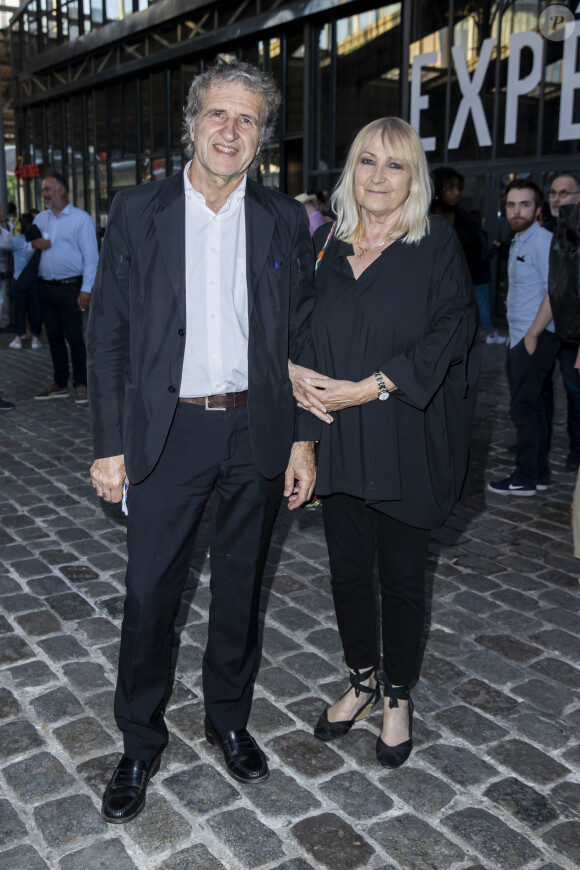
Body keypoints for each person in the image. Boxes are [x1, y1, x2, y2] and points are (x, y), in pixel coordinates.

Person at [87, 58, 317, 824]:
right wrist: (110, 443)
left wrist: (302, 439)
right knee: (151, 596)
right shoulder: (138, 211)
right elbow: (110, 336)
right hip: (168, 432)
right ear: (191, 124)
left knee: (241, 591)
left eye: (246, 119)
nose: (230, 130)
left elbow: (301, 337)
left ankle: (227, 719)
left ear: (262, 137)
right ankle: (138, 743)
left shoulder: (285, 219)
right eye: (218, 115)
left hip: (257, 426)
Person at [290, 118, 479, 769]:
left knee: (400, 580)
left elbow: (451, 333)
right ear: (351, 169)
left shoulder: (434, 246)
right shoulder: (330, 246)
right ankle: (362, 681)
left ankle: (398, 695)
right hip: (340, 444)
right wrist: (304, 443)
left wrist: (367, 388)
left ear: (414, 178)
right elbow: (309, 347)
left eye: (394, 165)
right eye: (366, 161)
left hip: (404, 441)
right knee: (347, 575)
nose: (377, 176)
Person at [488, 179, 560, 496]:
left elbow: (554, 292)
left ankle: (526, 477)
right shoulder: (520, 240)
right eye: (511, 205)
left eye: (525, 204)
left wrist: (532, 335)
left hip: (534, 336)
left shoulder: (542, 240)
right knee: (537, 406)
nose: (517, 211)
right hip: (523, 336)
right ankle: (539, 473)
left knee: (523, 409)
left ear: (539, 209)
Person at [29, 173, 99, 403]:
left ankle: (82, 383)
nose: (43, 194)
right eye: (43, 190)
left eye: (47, 189)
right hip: (45, 287)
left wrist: (86, 289)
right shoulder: (40, 219)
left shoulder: (81, 219)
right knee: (54, 336)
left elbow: (91, 258)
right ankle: (60, 383)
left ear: (61, 190)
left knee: (75, 336)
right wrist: (33, 244)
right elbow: (25, 252)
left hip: (71, 287)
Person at [543, 171, 580, 471]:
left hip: (575, 333)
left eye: (564, 193)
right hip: (563, 330)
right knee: (570, 392)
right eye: (554, 193)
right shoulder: (557, 228)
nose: (557, 198)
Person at [431, 167, 481, 284]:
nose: (457, 192)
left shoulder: (464, 217)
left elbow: (475, 250)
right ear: (437, 192)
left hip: (460, 284)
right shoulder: (424, 218)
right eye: (450, 188)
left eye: (458, 188)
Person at [2, 212, 43, 349]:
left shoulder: (18, 240)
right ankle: (35, 339)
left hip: (19, 279)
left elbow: (4, 245)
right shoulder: (41, 241)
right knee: (35, 309)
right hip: (36, 280)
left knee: (19, 310)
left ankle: (18, 337)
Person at [469, 209, 505, 345]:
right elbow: (483, 256)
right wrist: (495, 247)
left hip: (470, 276)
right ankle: (490, 334)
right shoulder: (480, 235)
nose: (484, 220)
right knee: (483, 306)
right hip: (480, 277)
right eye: (482, 218)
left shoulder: (468, 235)